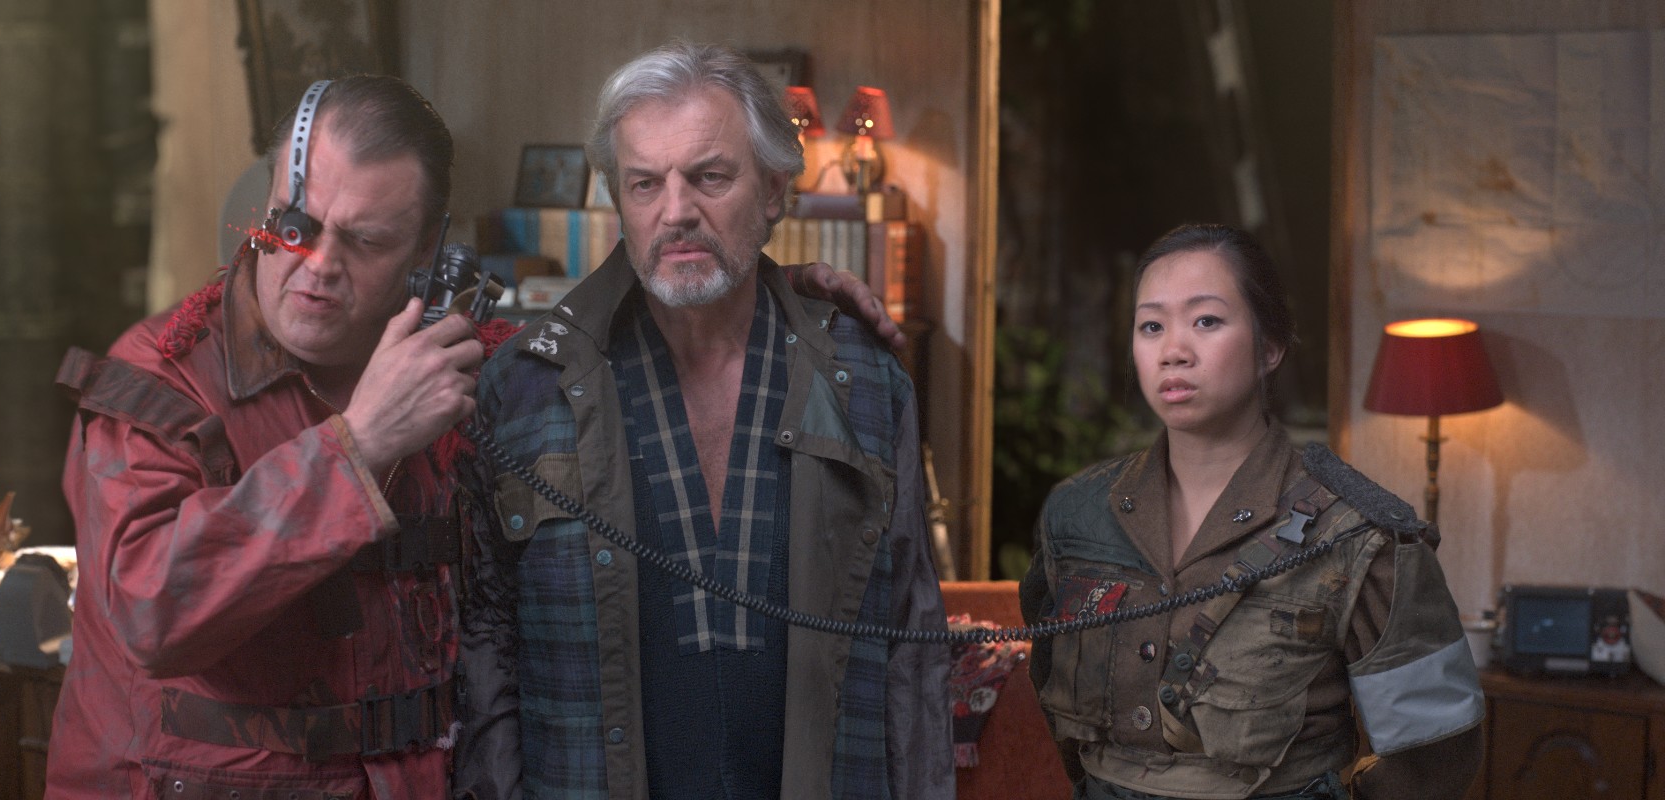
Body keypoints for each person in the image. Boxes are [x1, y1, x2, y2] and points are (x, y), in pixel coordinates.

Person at [46, 73, 895, 798]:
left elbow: (618, 332)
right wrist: (358, 446)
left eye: (365, 241)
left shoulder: (465, 363)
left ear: (426, 252)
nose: (318, 265)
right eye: (294, 225)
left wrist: (772, 294)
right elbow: (149, 613)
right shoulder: (159, 377)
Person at [455, 42, 952, 800]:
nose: (677, 210)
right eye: (645, 183)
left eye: (710, 176)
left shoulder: (866, 382)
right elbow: (486, 648)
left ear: (775, 191)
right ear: (619, 200)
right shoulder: (524, 389)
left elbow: (913, 651)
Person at [1017, 223, 1485, 800]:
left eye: (1206, 321)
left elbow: (1435, 753)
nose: (1173, 351)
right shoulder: (1077, 514)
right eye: (1152, 326)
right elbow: (1055, 704)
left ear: (1270, 349)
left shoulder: (1355, 532)